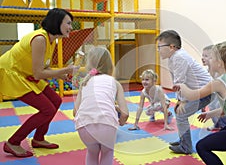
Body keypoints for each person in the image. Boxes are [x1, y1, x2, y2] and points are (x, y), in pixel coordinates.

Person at [0, 8, 78, 158]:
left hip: (27, 74)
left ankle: (38, 139)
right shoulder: (40, 39)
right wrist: (64, 70)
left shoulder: (51, 40)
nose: (71, 27)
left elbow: (44, 66)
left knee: (55, 100)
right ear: (57, 23)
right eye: (68, 23)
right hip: (11, 73)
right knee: (47, 109)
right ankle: (13, 142)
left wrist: (61, 76)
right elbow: (39, 73)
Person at [156, 30, 212, 154]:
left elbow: (180, 83)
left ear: (171, 47)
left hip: (205, 91)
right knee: (179, 112)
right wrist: (179, 100)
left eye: (159, 47)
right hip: (197, 91)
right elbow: (178, 83)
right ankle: (183, 140)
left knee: (181, 115)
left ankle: (186, 147)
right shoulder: (173, 58)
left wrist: (183, 101)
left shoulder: (179, 57)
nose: (158, 50)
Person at [73, 46, 129, 165]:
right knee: (107, 152)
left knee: (92, 153)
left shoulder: (85, 83)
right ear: (110, 66)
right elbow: (125, 114)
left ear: (89, 65)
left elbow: (75, 112)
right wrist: (121, 122)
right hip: (106, 126)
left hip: (84, 127)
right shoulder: (114, 83)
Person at [202, 45, 226, 131]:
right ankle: (216, 125)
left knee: (220, 113)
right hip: (211, 98)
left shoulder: (218, 72)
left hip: (219, 99)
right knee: (212, 110)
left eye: (206, 56)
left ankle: (224, 128)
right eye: (202, 55)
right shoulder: (206, 72)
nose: (203, 58)